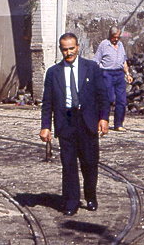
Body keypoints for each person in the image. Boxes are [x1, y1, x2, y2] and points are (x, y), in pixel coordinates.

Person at [40, 32, 109, 216]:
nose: (68, 53)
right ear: (60, 50)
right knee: (68, 164)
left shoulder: (91, 68)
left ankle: (91, 196)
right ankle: (71, 201)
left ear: (78, 47)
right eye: (65, 49)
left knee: (90, 163)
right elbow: (47, 102)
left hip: (87, 122)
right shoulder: (53, 73)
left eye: (71, 48)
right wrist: (45, 126)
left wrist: (103, 118)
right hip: (66, 122)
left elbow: (102, 95)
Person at [94, 26, 133, 132]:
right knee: (108, 98)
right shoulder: (104, 44)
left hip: (119, 74)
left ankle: (118, 124)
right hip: (107, 73)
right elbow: (96, 61)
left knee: (122, 100)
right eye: (114, 37)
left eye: (118, 37)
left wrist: (128, 74)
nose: (116, 39)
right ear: (110, 35)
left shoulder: (120, 45)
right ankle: (103, 121)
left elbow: (124, 61)